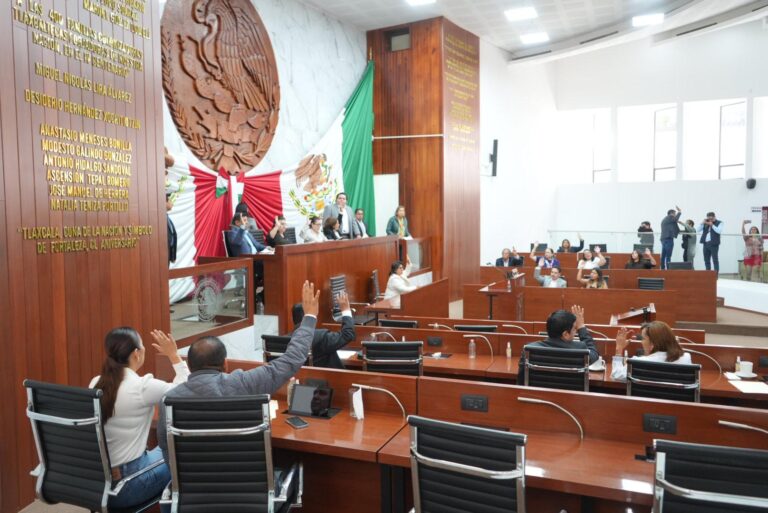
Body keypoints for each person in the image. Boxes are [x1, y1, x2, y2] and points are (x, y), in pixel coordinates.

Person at [159, 281, 320, 464]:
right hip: (246, 484)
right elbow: (292, 359)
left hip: (191, 489)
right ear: (225, 364)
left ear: (191, 366)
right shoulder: (244, 383)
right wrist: (309, 318)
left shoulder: (169, 401)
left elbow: (167, 451)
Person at [89, 328, 189, 510]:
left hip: (96, 484)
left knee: (163, 450)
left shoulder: (96, 382)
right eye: (142, 346)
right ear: (136, 353)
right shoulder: (142, 387)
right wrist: (174, 356)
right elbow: (188, 391)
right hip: (127, 486)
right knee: (182, 456)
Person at [517, 306, 599, 383]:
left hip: (538, 397)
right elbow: (594, 353)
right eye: (575, 328)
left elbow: (521, 382)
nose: (576, 332)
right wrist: (581, 326)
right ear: (565, 334)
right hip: (570, 398)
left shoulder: (529, 349)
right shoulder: (580, 350)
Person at [291, 291, 355, 369]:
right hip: (329, 379)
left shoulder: (286, 340)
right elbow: (347, 335)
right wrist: (346, 310)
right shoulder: (320, 337)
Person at [610, 322, 691, 381]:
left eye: (643, 339)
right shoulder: (686, 358)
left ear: (652, 344)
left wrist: (619, 349)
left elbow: (615, 376)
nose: (641, 342)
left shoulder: (637, 362)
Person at [166, 193, 177, 265]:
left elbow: (172, 236)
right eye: (170, 200)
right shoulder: (159, 219)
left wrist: (172, 256)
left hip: (167, 255)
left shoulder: (167, 218)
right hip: (161, 256)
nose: (172, 203)